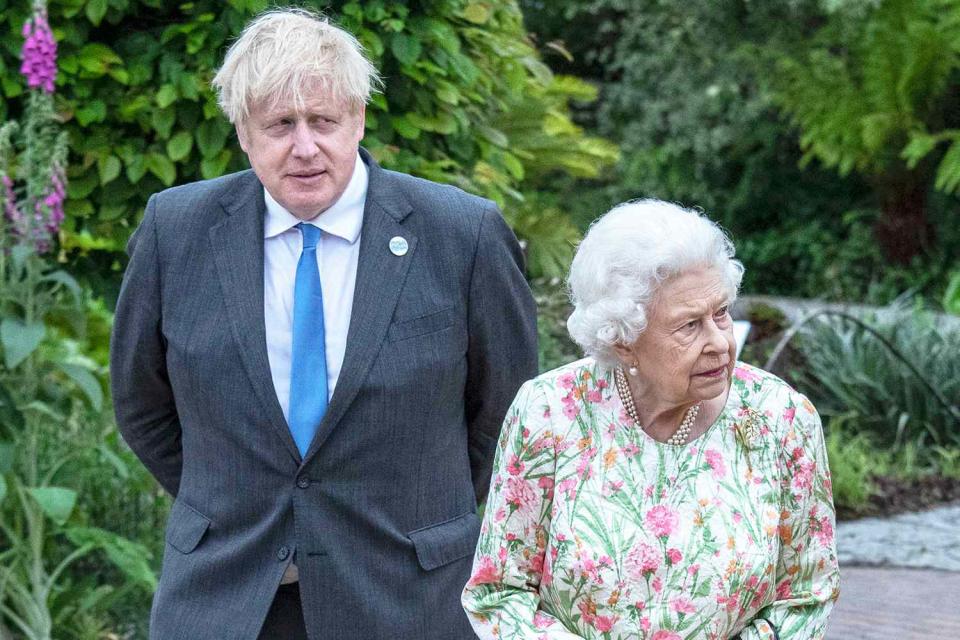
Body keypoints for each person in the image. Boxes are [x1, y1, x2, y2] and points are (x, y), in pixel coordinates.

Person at [110, 8, 537, 639]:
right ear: (243, 133)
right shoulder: (177, 231)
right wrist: (243, 502)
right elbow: (141, 402)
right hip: (227, 599)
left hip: (406, 598)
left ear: (358, 119)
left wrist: (417, 514)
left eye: (324, 121)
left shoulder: (461, 234)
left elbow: (508, 416)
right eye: (280, 125)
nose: (305, 147)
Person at [462, 199, 839, 640]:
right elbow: (500, 590)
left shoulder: (782, 418)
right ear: (623, 342)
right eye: (689, 326)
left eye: (721, 313)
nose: (720, 341)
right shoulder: (549, 412)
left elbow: (807, 595)